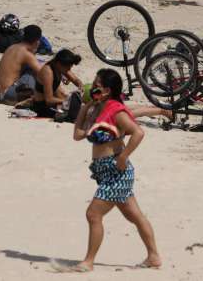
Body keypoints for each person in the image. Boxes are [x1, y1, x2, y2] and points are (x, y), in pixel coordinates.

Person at [70, 68, 161, 272]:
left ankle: (88, 262)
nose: (92, 88)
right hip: (103, 172)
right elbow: (77, 135)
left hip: (116, 172)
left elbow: (138, 132)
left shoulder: (115, 110)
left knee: (93, 214)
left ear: (108, 90)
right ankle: (154, 256)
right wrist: (85, 109)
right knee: (135, 216)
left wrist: (124, 156)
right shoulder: (96, 110)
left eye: (97, 86)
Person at [0, 25, 44, 104]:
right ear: (37, 41)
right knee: (34, 71)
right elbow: (43, 73)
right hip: (9, 95)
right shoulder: (26, 53)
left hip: (3, 94)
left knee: (36, 65)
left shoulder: (12, 47)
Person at [31, 49, 83, 118]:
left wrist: (80, 86)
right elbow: (49, 100)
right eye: (68, 67)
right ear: (59, 63)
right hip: (43, 107)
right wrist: (68, 101)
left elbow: (76, 80)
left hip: (53, 104)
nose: (69, 69)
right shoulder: (48, 72)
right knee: (76, 115)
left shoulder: (60, 67)